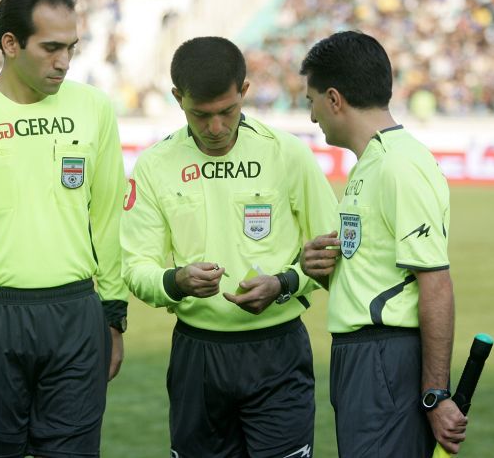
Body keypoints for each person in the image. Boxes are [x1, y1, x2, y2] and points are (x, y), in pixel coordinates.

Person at [0, 0, 128, 457]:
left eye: (71, 47)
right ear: (11, 44)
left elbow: (108, 216)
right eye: (51, 48)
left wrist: (113, 315)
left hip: (76, 316)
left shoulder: (94, 108)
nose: (64, 61)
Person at [121, 36, 338, 458]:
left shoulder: (286, 154)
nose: (216, 127)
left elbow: (330, 249)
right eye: (201, 115)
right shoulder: (154, 165)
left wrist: (285, 283)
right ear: (178, 98)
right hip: (197, 354)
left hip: (278, 350)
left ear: (245, 92)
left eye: (228, 111)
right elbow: (135, 266)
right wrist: (176, 281)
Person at [298, 30, 468, 457]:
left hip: (385, 360)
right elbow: (374, 275)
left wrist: (434, 393)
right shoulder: (371, 162)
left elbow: (435, 282)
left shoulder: (399, 165)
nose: (312, 116)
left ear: (334, 99)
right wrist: (322, 270)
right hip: (361, 357)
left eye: (311, 101)